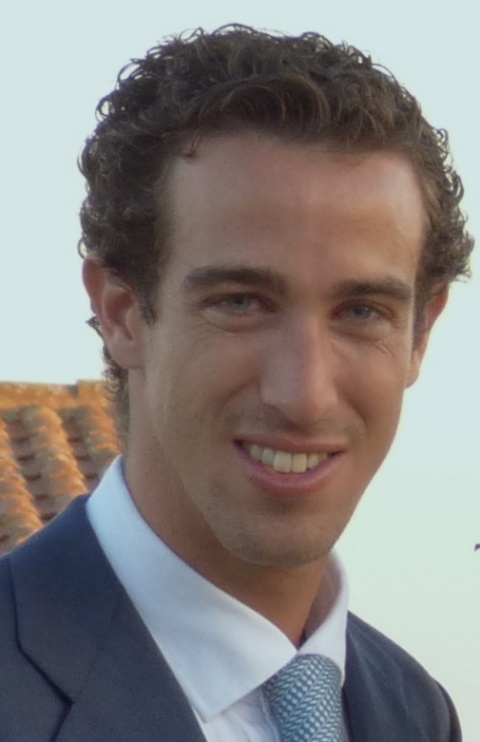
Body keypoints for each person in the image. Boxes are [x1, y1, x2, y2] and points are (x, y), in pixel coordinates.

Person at [0, 25, 472, 741]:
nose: (305, 393)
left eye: (361, 311)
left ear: (421, 333)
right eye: (241, 303)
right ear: (121, 312)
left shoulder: (416, 713)